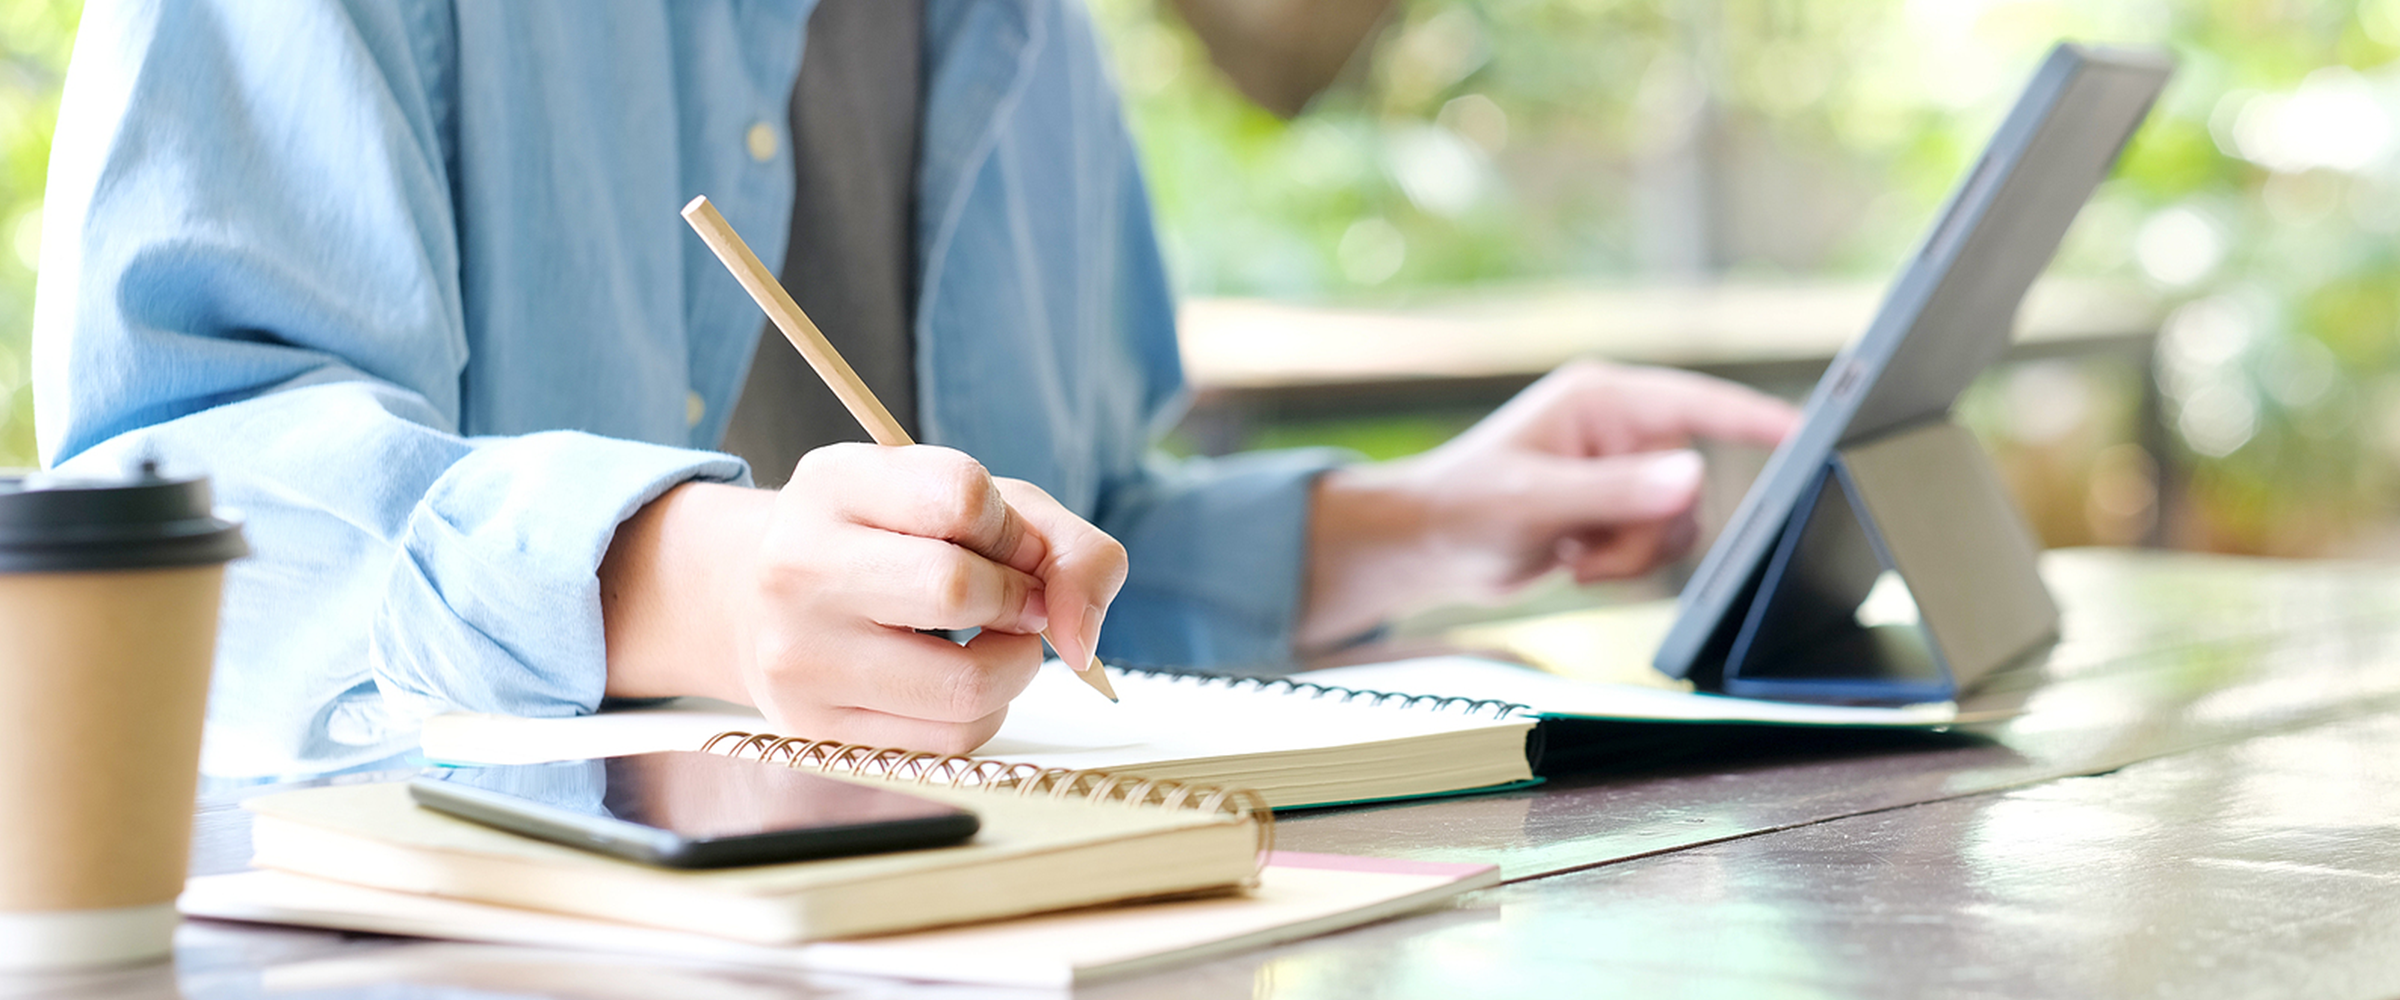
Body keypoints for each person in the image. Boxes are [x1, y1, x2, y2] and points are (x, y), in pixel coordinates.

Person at [35, 0, 1795, 779]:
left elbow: (1057, 556)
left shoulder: (1024, 31)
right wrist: (668, 584)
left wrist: (1410, 525)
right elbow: (164, 510)